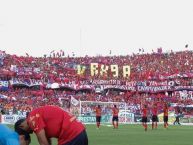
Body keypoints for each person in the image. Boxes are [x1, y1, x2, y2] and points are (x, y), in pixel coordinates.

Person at [15, 105, 88, 145]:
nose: (31, 132)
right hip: (79, 132)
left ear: (22, 126)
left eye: (27, 132)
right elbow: (46, 140)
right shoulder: (36, 115)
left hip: (71, 135)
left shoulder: (31, 118)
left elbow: (43, 142)